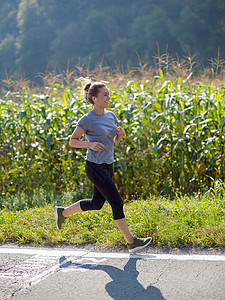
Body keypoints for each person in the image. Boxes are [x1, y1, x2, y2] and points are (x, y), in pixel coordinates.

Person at [54, 82, 152, 253]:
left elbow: (113, 142)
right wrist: (89, 144)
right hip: (94, 167)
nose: (108, 98)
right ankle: (131, 242)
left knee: (97, 203)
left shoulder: (111, 116)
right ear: (95, 98)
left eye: (108, 94)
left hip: (108, 164)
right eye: (104, 95)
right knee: (116, 201)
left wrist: (119, 137)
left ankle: (62, 213)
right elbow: (72, 141)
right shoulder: (87, 119)